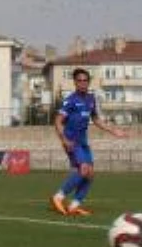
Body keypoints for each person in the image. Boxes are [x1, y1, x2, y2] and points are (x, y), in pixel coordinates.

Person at [50, 68, 128, 216]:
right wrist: (64, 140)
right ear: (75, 82)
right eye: (79, 80)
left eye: (85, 80)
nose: (82, 83)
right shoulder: (70, 100)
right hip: (71, 141)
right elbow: (57, 121)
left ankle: (74, 205)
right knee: (84, 169)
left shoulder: (91, 99)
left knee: (90, 174)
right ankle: (58, 197)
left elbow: (96, 119)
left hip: (83, 142)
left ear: (88, 82)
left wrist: (113, 130)